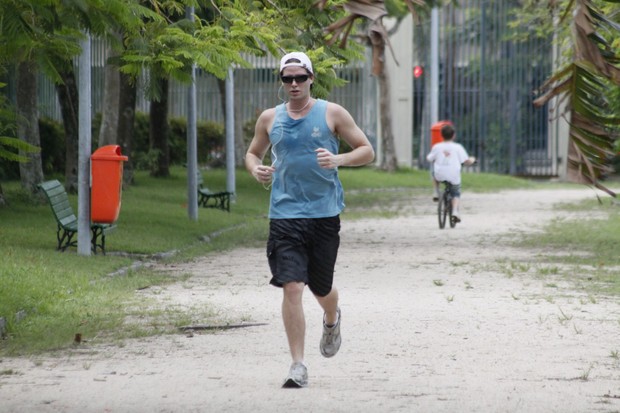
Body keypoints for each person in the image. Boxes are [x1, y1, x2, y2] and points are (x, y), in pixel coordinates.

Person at [245, 51, 375, 388]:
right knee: (291, 286)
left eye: (299, 77)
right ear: (281, 82)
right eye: (287, 78)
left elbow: (366, 150)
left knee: (320, 287)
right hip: (284, 215)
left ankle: (331, 317)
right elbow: (252, 152)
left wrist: (339, 158)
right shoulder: (269, 118)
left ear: (311, 79)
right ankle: (297, 365)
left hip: (324, 213)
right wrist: (254, 169)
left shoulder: (331, 113)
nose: (293, 84)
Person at [426, 123, 476, 222]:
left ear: (441, 135)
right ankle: (455, 212)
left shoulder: (437, 146)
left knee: (434, 173)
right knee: (456, 192)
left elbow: (429, 158)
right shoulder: (458, 147)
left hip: (440, 175)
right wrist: (472, 160)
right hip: (453, 176)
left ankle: (436, 192)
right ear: (453, 135)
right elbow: (466, 161)